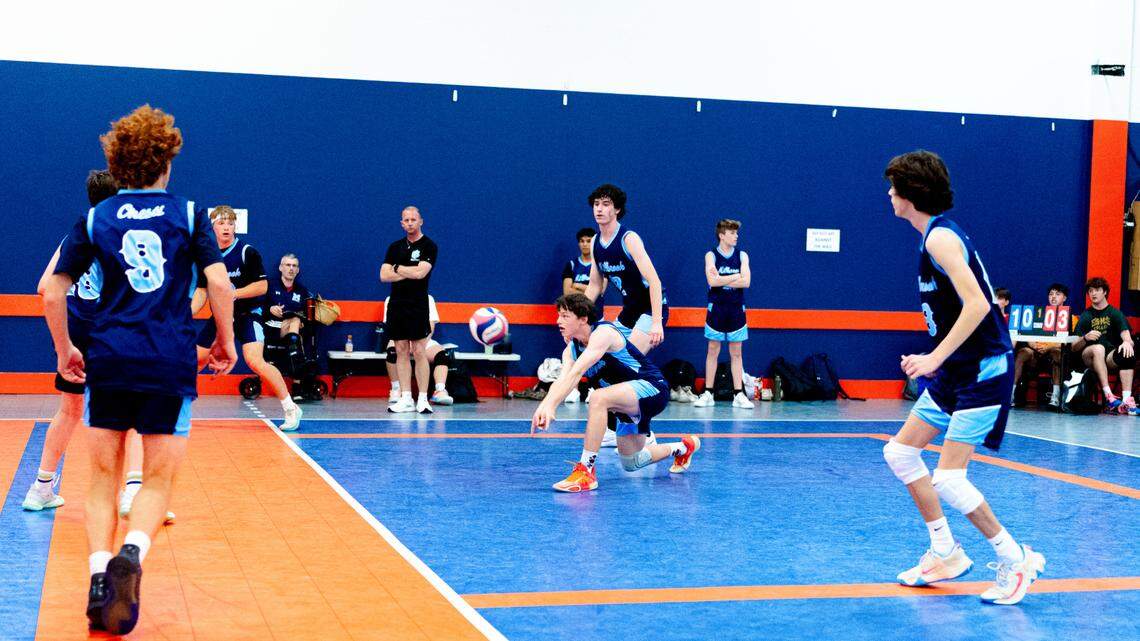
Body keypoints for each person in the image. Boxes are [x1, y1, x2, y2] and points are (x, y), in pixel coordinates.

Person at [44, 105, 236, 634]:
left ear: (117, 164)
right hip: (167, 361)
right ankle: (131, 553)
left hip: (108, 357)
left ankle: (98, 574)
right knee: (155, 479)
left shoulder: (96, 218)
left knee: (102, 479)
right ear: (167, 161)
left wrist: (64, 350)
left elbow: (51, 291)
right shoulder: (190, 214)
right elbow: (219, 284)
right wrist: (225, 341)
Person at [883, 150, 1045, 606]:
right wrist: (940, 360)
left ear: (911, 193)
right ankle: (945, 553)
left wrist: (932, 357)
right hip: (958, 370)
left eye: (894, 187)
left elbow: (978, 305)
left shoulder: (940, 239)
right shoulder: (932, 237)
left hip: (984, 370)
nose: (889, 194)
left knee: (949, 478)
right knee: (900, 453)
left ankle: (1017, 560)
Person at [530, 293, 698, 492]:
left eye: (565, 316)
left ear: (583, 319)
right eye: (559, 315)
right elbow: (563, 379)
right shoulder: (570, 351)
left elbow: (576, 373)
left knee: (598, 398)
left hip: (652, 388)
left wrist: (551, 405)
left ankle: (586, 471)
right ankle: (683, 447)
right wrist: (544, 405)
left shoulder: (603, 333)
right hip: (625, 402)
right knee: (632, 462)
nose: (559, 321)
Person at [22, 170, 118, 511]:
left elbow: (44, 286)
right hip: (110, 333)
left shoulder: (74, 237)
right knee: (127, 411)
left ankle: (40, 488)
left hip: (76, 333)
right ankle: (133, 491)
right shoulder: (122, 236)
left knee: (69, 411)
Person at [191, 206, 302, 430]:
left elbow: (262, 286)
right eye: (221, 223)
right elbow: (202, 291)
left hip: (248, 315)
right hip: (221, 316)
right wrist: (187, 313)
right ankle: (173, 408)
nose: (226, 227)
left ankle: (291, 408)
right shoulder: (207, 256)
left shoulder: (247, 252)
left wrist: (234, 293)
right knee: (196, 360)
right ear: (212, 227)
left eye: (230, 223)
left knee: (254, 361)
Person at [583, 184, 668, 355]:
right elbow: (594, 286)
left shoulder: (629, 239)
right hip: (630, 311)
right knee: (607, 357)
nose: (599, 209)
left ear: (617, 209)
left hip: (650, 309)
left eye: (606, 204)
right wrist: (576, 315)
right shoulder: (595, 242)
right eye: (596, 204)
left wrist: (656, 323)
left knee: (628, 360)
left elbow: (654, 282)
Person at [380, 205, 438, 414]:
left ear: (421, 221)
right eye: (406, 220)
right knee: (401, 350)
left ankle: (422, 399)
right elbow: (383, 275)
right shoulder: (394, 247)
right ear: (401, 223)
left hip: (418, 305)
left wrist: (396, 268)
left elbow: (420, 274)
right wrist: (407, 271)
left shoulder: (429, 246)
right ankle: (406, 398)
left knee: (419, 351)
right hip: (397, 305)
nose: (410, 223)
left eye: (413, 219)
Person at [693, 219, 754, 409]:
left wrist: (722, 279)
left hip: (736, 309)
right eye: (732, 233)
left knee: (736, 352)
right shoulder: (711, 256)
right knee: (713, 350)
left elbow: (746, 282)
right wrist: (735, 276)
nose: (736, 236)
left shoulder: (742, 255)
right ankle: (708, 393)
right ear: (722, 235)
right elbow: (712, 281)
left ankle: (738, 395)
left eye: (737, 233)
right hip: (717, 308)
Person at [1071, 277, 1135, 413]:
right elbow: (1074, 347)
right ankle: (1109, 396)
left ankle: (1126, 401)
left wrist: (1127, 342)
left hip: (1108, 356)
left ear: (1105, 292)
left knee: (1127, 353)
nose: (1093, 293)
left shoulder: (1115, 313)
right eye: (1090, 291)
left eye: (1097, 290)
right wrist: (1085, 338)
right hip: (1089, 356)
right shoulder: (1086, 315)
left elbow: (1128, 338)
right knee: (1098, 348)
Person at [384, 294, 453, 405]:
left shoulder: (427, 298)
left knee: (441, 355)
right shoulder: (391, 299)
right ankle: (397, 389)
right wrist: (407, 344)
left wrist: (419, 345)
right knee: (392, 351)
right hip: (400, 339)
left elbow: (430, 326)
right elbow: (392, 327)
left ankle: (440, 390)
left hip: (422, 340)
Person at [1012, 283, 1069, 408]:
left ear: (1064, 298)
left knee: (1056, 352)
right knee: (1023, 353)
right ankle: (1011, 393)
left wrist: (1048, 347)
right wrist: (1033, 345)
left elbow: (1067, 341)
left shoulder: (1070, 317)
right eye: (1051, 294)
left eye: (1057, 294)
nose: (1053, 297)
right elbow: (1027, 334)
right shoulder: (1039, 314)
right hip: (1035, 355)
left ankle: (1055, 396)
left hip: (1053, 357)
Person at [266, 252, 313, 377]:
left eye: (294, 266)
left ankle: (295, 359)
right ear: (280, 268)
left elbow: (306, 314)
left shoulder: (302, 291)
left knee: (296, 321)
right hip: (272, 326)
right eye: (288, 265)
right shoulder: (269, 285)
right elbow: (258, 306)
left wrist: (302, 321)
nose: (291, 269)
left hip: (293, 328)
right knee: (295, 323)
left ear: (298, 270)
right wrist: (270, 308)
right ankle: (296, 363)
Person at [562, 228, 606, 298]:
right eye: (582, 241)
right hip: (576, 305)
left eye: (588, 241)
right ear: (579, 244)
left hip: (595, 305)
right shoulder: (571, 265)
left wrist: (577, 285)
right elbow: (567, 292)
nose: (585, 244)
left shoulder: (601, 264)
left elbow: (601, 291)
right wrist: (592, 291)